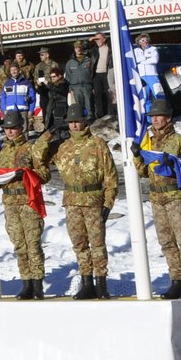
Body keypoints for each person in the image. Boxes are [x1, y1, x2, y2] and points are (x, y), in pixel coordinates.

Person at [134, 97, 181, 298]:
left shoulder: (180, 141)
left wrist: (174, 164)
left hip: (175, 197)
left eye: (158, 116)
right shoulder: (148, 142)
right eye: (152, 116)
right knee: (166, 242)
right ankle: (176, 280)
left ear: (168, 118)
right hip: (157, 198)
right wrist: (138, 156)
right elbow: (144, 172)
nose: (155, 120)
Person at [52, 105, 117, 299]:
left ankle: (102, 284)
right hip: (72, 202)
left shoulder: (97, 144)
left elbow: (111, 176)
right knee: (79, 244)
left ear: (85, 122)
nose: (74, 125)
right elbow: (38, 158)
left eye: (77, 121)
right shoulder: (63, 147)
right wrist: (48, 136)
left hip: (93, 201)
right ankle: (87, 282)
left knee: (97, 244)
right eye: (71, 122)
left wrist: (108, 203)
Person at [0, 111, 50, 299]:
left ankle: (37, 283)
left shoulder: (30, 149)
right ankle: (26, 282)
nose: (10, 132)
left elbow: (44, 174)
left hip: (27, 201)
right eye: (7, 128)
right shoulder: (2, 152)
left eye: (13, 128)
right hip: (10, 203)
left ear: (21, 128)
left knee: (32, 244)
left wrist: (25, 174)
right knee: (19, 245)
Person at [63, 41, 96, 123]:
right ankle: (81, 124)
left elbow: (93, 73)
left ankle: (90, 123)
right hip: (75, 87)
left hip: (87, 86)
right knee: (78, 107)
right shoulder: (70, 62)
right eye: (77, 48)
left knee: (89, 106)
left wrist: (93, 86)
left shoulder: (88, 60)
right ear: (74, 49)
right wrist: (70, 88)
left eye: (80, 47)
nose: (78, 49)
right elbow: (68, 76)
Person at [90, 31, 113, 120]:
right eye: (95, 39)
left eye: (98, 39)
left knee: (110, 95)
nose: (96, 41)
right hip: (96, 75)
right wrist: (91, 40)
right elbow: (84, 49)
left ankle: (111, 115)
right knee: (98, 96)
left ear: (104, 39)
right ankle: (100, 116)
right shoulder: (94, 50)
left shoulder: (109, 48)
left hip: (107, 73)